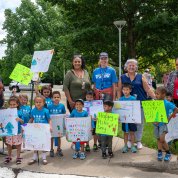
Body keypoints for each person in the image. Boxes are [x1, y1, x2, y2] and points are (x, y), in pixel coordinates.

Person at [117, 59, 156, 149]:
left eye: (133, 65)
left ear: (136, 67)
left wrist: (155, 97)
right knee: (128, 122)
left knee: (139, 123)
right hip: (126, 105)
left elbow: (148, 89)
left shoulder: (141, 76)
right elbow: (119, 90)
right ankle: (130, 140)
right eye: (129, 65)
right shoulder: (122, 77)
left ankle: (138, 141)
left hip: (140, 103)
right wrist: (119, 102)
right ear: (126, 67)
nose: (131, 67)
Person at [154, 86, 178, 161]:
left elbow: (176, 109)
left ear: (163, 94)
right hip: (155, 124)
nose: (156, 95)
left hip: (163, 124)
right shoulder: (155, 102)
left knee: (162, 139)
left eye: (157, 94)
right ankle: (159, 151)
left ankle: (168, 152)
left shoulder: (167, 103)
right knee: (158, 138)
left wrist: (169, 118)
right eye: (155, 93)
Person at [28, 95, 52, 165]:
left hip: (44, 130)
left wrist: (50, 126)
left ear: (43, 103)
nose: (38, 103)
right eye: (36, 102)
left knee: (43, 143)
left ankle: (44, 158)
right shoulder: (32, 111)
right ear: (34, 103)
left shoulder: (46, 111)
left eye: (40, 102)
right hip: (36, 130)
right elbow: (31, 119)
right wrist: (27, 126)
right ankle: (34, 157)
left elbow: (49, 119)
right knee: (35, 144)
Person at [4, 96, 24, 164]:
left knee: (18, 145)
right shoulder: (7, 112)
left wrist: (19, 119)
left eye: (14, 104)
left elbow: (23, 122)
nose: (12, 106)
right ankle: (9, 156)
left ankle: (18, 157)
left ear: (17, 104)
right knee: (9, 144)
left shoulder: (20, 112)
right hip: (9, 131)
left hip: (17, 131)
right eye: (11, 104)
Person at [119, 83, 137, 153]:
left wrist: (135, 118)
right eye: (124, 90)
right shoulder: (120, 99)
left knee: (132, 133)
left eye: (127, 90)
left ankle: (132, 146)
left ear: (130, 90)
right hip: (124, 120)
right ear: (122, 90)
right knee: (125, 133)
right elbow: (119, 110)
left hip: (131, 120)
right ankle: (125, 146)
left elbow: (135, 109)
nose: (125, 91)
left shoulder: (133, 99)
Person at [48, 91, 66, 157]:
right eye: (54, 97)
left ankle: (59, 149)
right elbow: (47, 115)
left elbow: (64, 114)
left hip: (59, 124)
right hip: (52, 124)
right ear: (52, 98)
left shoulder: (62, 106)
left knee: (59, 136)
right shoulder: (49, 106)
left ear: (60, 98)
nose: (56, 98)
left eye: (58, 97)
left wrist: (64, 124)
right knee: (51, 137)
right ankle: (51, 149)